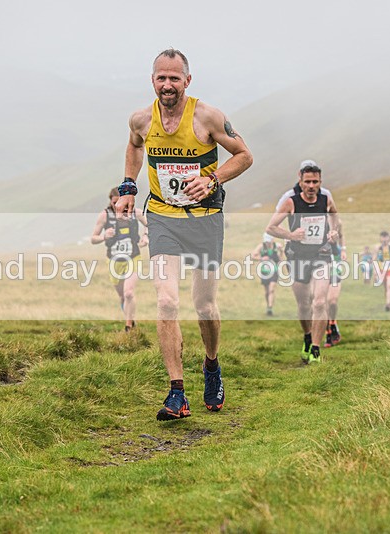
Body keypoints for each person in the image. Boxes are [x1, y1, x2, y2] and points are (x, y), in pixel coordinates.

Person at [115, 49, 253, 421]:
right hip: (162, 216)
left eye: (175, 78)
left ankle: (211, 366)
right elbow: (134, 145)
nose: (167, 84)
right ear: (152, 80)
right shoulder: (142, 119)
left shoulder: (208, 117)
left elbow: (244, 155)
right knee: (167, 301)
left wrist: (211, 178)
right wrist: (129, 186)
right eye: (161, 77)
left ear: (187, 81)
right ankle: (177, 392)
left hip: (205, 219)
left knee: (204, 305)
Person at [266, 160, 339, 364]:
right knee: (304, 304)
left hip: (322, 254)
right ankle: (307, 335)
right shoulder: (291, 201)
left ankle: (315, 348)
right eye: (307, 181)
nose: (311, 186)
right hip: (297, 257)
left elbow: (335, 216)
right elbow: (270, 228)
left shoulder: (326, 198)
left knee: (319, 301)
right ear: (300, 180)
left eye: (315, 181)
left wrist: (334, 232)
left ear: (320, 181)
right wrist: (291, 235)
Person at [91, 187, 148, 332]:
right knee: (123, 296)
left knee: (129, 292)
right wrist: (104, 236)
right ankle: (131, 319)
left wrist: (145, 236)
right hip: (114, 261)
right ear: (111, 201)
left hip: (133, 257)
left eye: (119, 203)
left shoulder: (135, 213)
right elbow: (93, 238)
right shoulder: (104, 216)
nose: (117, 207)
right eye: (114, 203)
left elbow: (151, 225)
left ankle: (128, 327)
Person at [250, 233, 282, 316]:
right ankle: (268, 306)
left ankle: (270, 308)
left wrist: (281, 254)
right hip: (264, 271)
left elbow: (281, 257)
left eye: (269, 241)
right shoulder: (261, 246)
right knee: (267, 291)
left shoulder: (277, 246)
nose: (267, 243)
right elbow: (253, 256)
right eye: (266, 241)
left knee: (272, 289)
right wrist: (261, 258)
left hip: (274, 270)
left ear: (272, 239)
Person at [375, 231, 390, 312]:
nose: (384, 239)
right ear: (380, 238)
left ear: (388, 238)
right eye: (382, 237)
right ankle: (388, 302)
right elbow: (374, 259)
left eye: (386, 237)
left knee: (389, 285)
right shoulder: (378, 248)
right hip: (382, 269)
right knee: (385, 287)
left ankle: (388, 303)